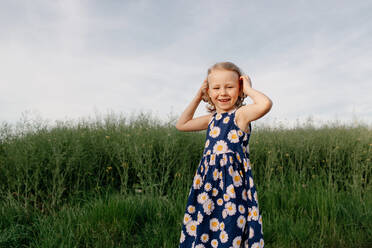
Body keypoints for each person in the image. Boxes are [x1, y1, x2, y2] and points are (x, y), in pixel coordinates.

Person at [176, 61, 272, 248]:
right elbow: (182, 124)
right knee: (204, 228)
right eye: (216, 88)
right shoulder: (211, 119)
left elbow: (265, 104)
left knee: (229, 230)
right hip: (207, 185)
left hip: (232, 188)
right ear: (209, 92)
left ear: (239, 89)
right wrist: (198, 96)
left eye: (230, 87)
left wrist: (249, 89)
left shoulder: (240, 115)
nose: (223, 93)